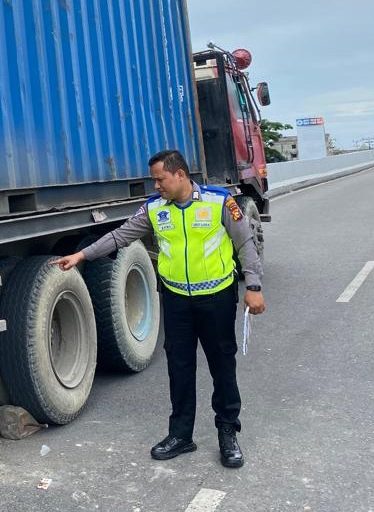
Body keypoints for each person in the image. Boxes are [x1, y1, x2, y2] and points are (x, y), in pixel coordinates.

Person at [54, 149, 265, 468]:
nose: (156, 186)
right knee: (179, 368)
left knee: (222, 366)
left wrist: (253, 286)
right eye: (154, 180)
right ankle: (181, 435)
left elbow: (244, 243)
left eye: (159, 179)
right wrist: (82, 256)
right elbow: (119, 236)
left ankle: (227, 432)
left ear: (180, 175)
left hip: (217, 298)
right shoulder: (154, 209)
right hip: (177, 299)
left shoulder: (219, 201)